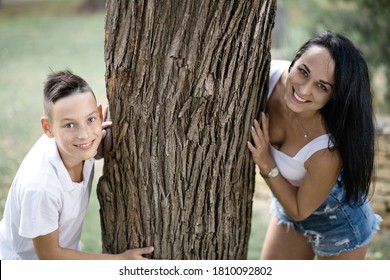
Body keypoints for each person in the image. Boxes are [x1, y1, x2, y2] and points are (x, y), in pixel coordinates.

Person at [247, 31, 382, 260]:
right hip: (286, 199)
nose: (304, 90)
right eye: (303, 71)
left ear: (333, 95)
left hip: (340, 223)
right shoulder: (268, 78)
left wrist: (265, 162)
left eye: (322, 86)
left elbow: (300, 210)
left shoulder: (327, 150)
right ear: (296, 59)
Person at [0, 70, 154, 259]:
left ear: (99, 114)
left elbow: (89, 141)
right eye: (70, 125)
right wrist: (119, 261)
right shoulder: (40, 188)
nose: (84, 134)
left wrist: (98, 140)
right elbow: (50, 257)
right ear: (48, 128)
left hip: (66, 249)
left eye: (90, 119)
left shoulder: (80, 145)